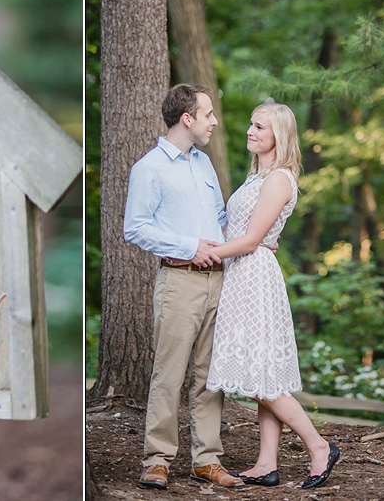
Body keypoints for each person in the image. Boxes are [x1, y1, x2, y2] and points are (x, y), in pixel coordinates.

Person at [204, 102, 340, 490]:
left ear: (278, 135)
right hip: (240, 275)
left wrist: (205, 252)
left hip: (254, 280)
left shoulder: (279, 178)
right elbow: (248, 232)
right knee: (259, 372)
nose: (250, 131)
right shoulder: (255, 177)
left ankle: (319, 446)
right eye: (250, 123)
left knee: (263, 377)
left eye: (260, 126)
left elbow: (248, 241)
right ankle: (267, 463)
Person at [123, 83, 243, 490]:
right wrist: (190, 247)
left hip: (219, 283)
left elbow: (221, 217)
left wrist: (254, 234)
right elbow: (135, 228)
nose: (214, 121)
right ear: (186, 118)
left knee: (210, 377)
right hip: (179, 283)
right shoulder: (149, 168)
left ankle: (206, 460)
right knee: (169, 375)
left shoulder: (204, 165)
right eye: (208, 114)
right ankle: (156, 460)